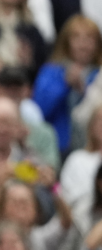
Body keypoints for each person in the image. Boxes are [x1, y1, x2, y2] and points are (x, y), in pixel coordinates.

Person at [33, 16, 102, 152]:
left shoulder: (99, 74)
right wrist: (64, 85)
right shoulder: (51, 71)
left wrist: (85, 92)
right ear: (66, 42)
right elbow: (39, 111)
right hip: (58, 144)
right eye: (76, 38)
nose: (83, 44)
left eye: (89, 38)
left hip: (92, 147)